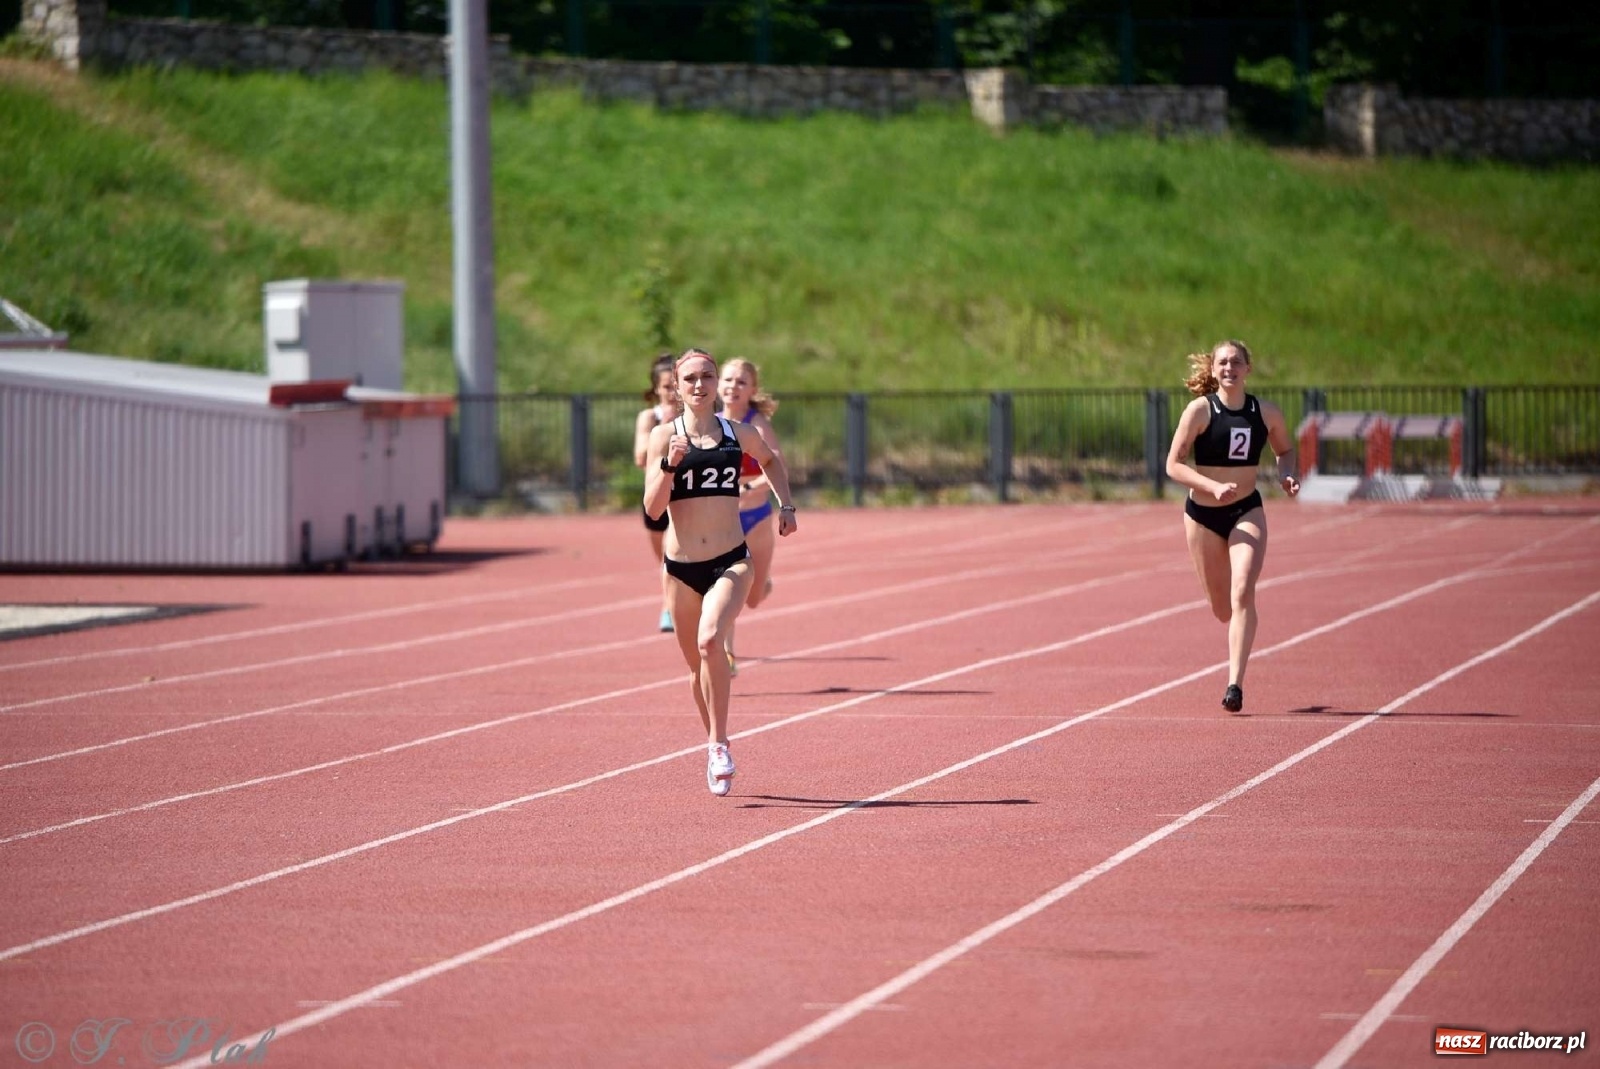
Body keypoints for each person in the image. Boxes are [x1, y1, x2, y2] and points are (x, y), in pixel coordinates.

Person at [644, 348, 798, 796]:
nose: (699, 385)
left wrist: (784, 504)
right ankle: (714, 739)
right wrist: (671, 463)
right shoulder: (662, 436)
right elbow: (653, 509)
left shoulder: (738, 432)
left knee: (712, 640)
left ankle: (718, 745)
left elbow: (770, 459)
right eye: (689, 378)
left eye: (707, 376)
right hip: (680, 569)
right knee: (696, 669)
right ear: (676, 386)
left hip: (731, 559)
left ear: (715, 384)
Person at [1164, 339, 1300, 713]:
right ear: (1213, 370)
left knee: (1243, 592)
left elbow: (1285, 451)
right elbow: (1173, 465)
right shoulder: (1199, 411)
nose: (1229, 368)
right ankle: (1229, 636)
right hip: (1203, 516)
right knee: (1222, 609)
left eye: (1236, 362)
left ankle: (1234, 685)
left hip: (1246, 510)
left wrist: (1287, 476)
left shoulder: (1265, 412)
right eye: (1222, 362)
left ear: (1247, 369)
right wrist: (1210, 487)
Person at [715, 357, 783, 676]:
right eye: (728, 380)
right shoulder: (710, 424)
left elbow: (775, 465)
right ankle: (727, 655)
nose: (733, 387)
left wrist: (748, 486)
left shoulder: (757, 424)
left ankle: (763, 583)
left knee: (752, 599)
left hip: (755, 516)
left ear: (753, 389)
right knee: (725, 589)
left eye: (741, 382)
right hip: (723, 521)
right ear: (718, 385)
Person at [634, 353, 680, 632]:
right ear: (656, 390)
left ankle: (669, 607)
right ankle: (673, 601)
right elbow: (640, 457)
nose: (672, 393)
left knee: (673, 555)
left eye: (676, 386)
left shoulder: (695, 418)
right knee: (665, 559)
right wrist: (664, 432)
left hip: (685, 496)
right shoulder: (649, 418)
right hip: (655, 495)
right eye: (666, 387)